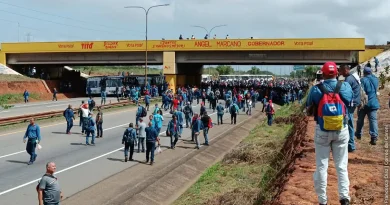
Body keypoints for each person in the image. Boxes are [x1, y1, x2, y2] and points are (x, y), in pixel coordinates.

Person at [306, 61, 352, 205]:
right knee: (341, 166)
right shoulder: (345, 86)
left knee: (321, 166)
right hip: (341, 130)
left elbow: (308, 107)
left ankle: (322, 201)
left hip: (322, 131)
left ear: (323, 73)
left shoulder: (316, 89)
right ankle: (344, 198)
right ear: (337, 73)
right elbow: (351, 102)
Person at [355, 67, 380, 145]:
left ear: (364, 72)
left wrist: (358, 103)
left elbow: (361, 92)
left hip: (364, 104)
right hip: (373, 103)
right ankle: (374, 137)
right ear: (371, 72)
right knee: (373, 121)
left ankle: (358, 134)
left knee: (360, 120)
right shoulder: (376, 79)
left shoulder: (363, 80)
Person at [339, 64, 361, 152]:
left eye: (340, 71)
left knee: (349, 123)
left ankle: (351, 146)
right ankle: (349, 144)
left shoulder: (348, 80)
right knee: (348, 123)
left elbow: (344, 93)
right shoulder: (352, 77)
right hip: (354, 102)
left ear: (345, 70)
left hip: (350, 104)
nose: (339, 73)